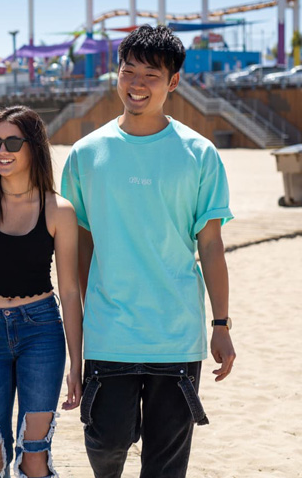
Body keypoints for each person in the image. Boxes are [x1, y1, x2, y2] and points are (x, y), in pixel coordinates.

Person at [61, 25, 236, 478]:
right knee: (104, 445)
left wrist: (220, 325)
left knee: (166, 464)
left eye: (151, 74)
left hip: (176, 334)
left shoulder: (199, 153)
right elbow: (80, 244)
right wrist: (85, 317)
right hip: (109, 332)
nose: (136, 83)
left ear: (173, 81)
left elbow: (212, 245)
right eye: (128, 71)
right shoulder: (85, 153)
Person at [0, 106, 83, 478]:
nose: (1, 150)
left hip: (41, 329)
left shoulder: (59, 210)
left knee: (34, 457)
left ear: (34, 147)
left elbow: (71, 292)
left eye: (13, 141)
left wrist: (77, 363)